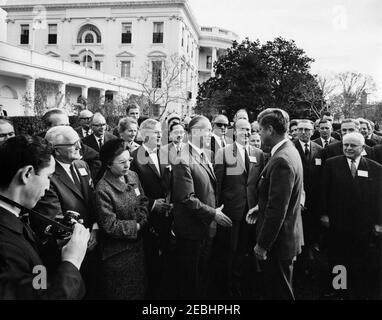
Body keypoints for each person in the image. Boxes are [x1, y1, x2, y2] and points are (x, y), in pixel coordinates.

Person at [0, 135, 89, 299]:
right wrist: (72, 261)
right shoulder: (5, 245)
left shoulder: (13, 215)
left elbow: (33, 278)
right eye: (48, 177)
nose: (48, 187)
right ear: (27, 173)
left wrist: (54, 231)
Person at [32, 126, 99, 298]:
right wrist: (81, 238)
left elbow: (92, 201)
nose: (80, 147)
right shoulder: (47, 176)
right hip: (67, 251)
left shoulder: (82, 164)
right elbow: (54, 218)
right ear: (57, 151)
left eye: (79, 141)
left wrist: (95, 229)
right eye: (73, 144)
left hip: (93, 241)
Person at [172, 115, 232, 299]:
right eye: (205, 129)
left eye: (209, 129)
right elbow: (186, 198)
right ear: (191, 132)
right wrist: (213, 213)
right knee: (190, 281)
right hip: (191, 232)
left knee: (201, 276)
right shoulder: (182, 159)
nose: (209, 132)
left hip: (205, 229)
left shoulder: (205, 154)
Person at [246, 108, 304, 300]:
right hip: (284, 240)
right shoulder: (289, 151)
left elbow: (278, 209)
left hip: (277, 244)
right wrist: (259, 207)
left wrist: (262, 245)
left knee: (280, 293)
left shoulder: (282, 160)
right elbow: (278, 199)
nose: (259, 135)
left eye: (260, 130)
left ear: (270, 130)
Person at [321, 132, 382, 299]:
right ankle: (338, 290)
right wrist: (324, 214)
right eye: (345, 145)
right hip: (338, 223)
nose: (348, 148)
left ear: (362, 148)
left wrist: (379, 223)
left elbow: (379, 198)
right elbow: (324, 192)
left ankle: (357, 290)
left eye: (352, 145)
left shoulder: (375, 168)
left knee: (360, 259)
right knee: (338, 258)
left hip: (363, 225)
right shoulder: (331, 164)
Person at [214, 119, 265, 298]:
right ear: (234, 131)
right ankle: (228, 290)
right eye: (242, 129)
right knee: (230, 251)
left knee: (246, 250)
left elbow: (260, 183)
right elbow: (218, 184)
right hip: (231, 210)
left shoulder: (259, 154)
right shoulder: (223, 152)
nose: (246, 133)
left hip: (251, 211)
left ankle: (244, 286)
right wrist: (216, 209)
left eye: (249, 130)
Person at [94, 139, 148, 299]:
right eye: (122, 162)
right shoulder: (102, 190)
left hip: (138, 250)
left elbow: (143, 200)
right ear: (109, 164)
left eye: (129, 160)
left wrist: (143, 218)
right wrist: (136, 227)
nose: (127, 166)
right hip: (118, 256)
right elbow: (110, 225)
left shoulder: (132, 176)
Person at [130, 118, 172, 299]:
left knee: (167, 257)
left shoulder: (165, 154)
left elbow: (170, 182)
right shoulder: (134, 158)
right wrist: (154, 204)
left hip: (168, 215)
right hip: (148, 217)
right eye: (156, 133)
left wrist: (170, 200)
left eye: (160, 132)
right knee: (151, 259)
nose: (160, 136)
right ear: (145, 134)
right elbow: (133, 191)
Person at [293, 120, 323, 278]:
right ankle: (296, 266)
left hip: (313, 201)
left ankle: (307, 266)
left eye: (307, 130)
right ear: (296, 131)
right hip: (295, 200)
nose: (304, 132)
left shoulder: (319, 150)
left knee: (310, 234)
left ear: (313, 131)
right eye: (300, 129)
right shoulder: (290, 147)